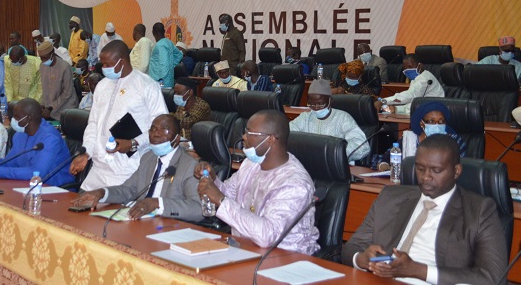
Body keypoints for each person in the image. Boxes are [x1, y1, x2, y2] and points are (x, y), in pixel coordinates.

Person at [342, 134, 507, 284]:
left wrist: (418, 270)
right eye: (420, 168)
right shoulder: (390, 197)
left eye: (436, 170)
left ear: (456, 171)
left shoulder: (480, 210)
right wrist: (362, 259)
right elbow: (351, 247)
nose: (426, 177)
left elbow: (492, 277)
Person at [195, 110, 319, 254]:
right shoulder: (251, 164)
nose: (244, 137)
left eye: (250, 133)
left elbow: (267, 235)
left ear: (270, 140)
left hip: (285, 256)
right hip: (245, 247)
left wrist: (221, 200)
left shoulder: (295, 184)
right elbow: (230, 193)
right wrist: (213, 180)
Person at [70, 40, 167, 191]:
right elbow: (93, 123)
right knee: (81, 204)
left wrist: (134, 143)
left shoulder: (147, 86)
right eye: (102, 64)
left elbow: (161, 128)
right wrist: (86, 152)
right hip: (98, 168)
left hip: (128, 169)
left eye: (108, 64)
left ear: (122, 62)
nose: (104, 68)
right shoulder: (102, 85)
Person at [72, 114, 203, 221]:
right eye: (153, 129)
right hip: (140, 222)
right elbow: (127, 190)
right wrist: (102, 193)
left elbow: (198, 209)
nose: (156, 134)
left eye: (165, 130)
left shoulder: (189, 165)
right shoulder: (148, 158)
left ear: (177, 138)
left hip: (169, 226)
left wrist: (157, 203)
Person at [0, 98, 75, 186]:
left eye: (16, 117)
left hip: (57, 189)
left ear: (28, 118)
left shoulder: (50, 138)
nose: (12, 120)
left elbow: (36, 173)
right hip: (28, 186)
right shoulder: (20, 134)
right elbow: (9, 163)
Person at [290, 79, 370, 161]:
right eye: (311, 103)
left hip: (335, 163)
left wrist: (334, 153)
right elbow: (288, 135)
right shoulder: (305, 118)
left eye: (320, 104)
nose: (316, 107)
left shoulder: (343, 118)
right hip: (309, 162)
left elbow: (362, 147)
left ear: (330, 101)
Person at [38, 40, 78, 120]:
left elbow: (67, 93)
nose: (43, 61)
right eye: (41, 58)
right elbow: (44, 88)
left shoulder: (65, 67)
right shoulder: (42, 66)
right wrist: (43, 105)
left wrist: (51, 107)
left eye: (45, 58)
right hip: (48, 109)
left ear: (52, 54)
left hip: (66, 107)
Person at [148, 22, 182, 87]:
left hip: (161, 83)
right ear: (164, 31)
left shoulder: (160, 45)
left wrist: (161, 82)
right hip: (168, 81)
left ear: (153, 32)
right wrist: (170, 66)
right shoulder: (168, 42)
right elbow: (179, 55)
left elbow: (164, 65)